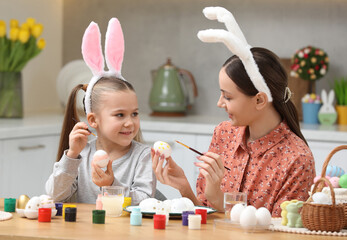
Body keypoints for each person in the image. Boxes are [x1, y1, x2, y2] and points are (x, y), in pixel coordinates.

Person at [151, 7, 315, 217]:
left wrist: (219, 199)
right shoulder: (224, 133)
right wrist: (184, 187)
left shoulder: (297, 159)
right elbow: (206, 215)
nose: (220, 103)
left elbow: (279, 233)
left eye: (228, 97)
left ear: (259, 100)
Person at [46, 18, 156, 206]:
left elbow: (145, 201)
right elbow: (55, 196)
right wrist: (71, 155)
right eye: (120, 115)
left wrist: (111, 185)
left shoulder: (143, 155)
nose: (130, 122)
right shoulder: (82, 155)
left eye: (135, 114)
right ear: (93, 120)